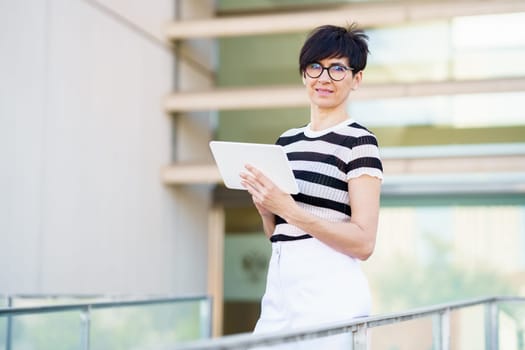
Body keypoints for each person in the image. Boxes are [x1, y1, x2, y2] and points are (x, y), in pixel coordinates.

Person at [239, 23, 383, 347]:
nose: (324, 78)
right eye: (316, 66)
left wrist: (288, 208)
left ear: (356, 78)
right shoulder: (286, 142)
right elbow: (279, 233)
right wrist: (267, 210)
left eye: (337, 69)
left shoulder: (359, 141)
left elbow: (364, 243)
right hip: (279, 286)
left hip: (329, 293)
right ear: (304, 74)